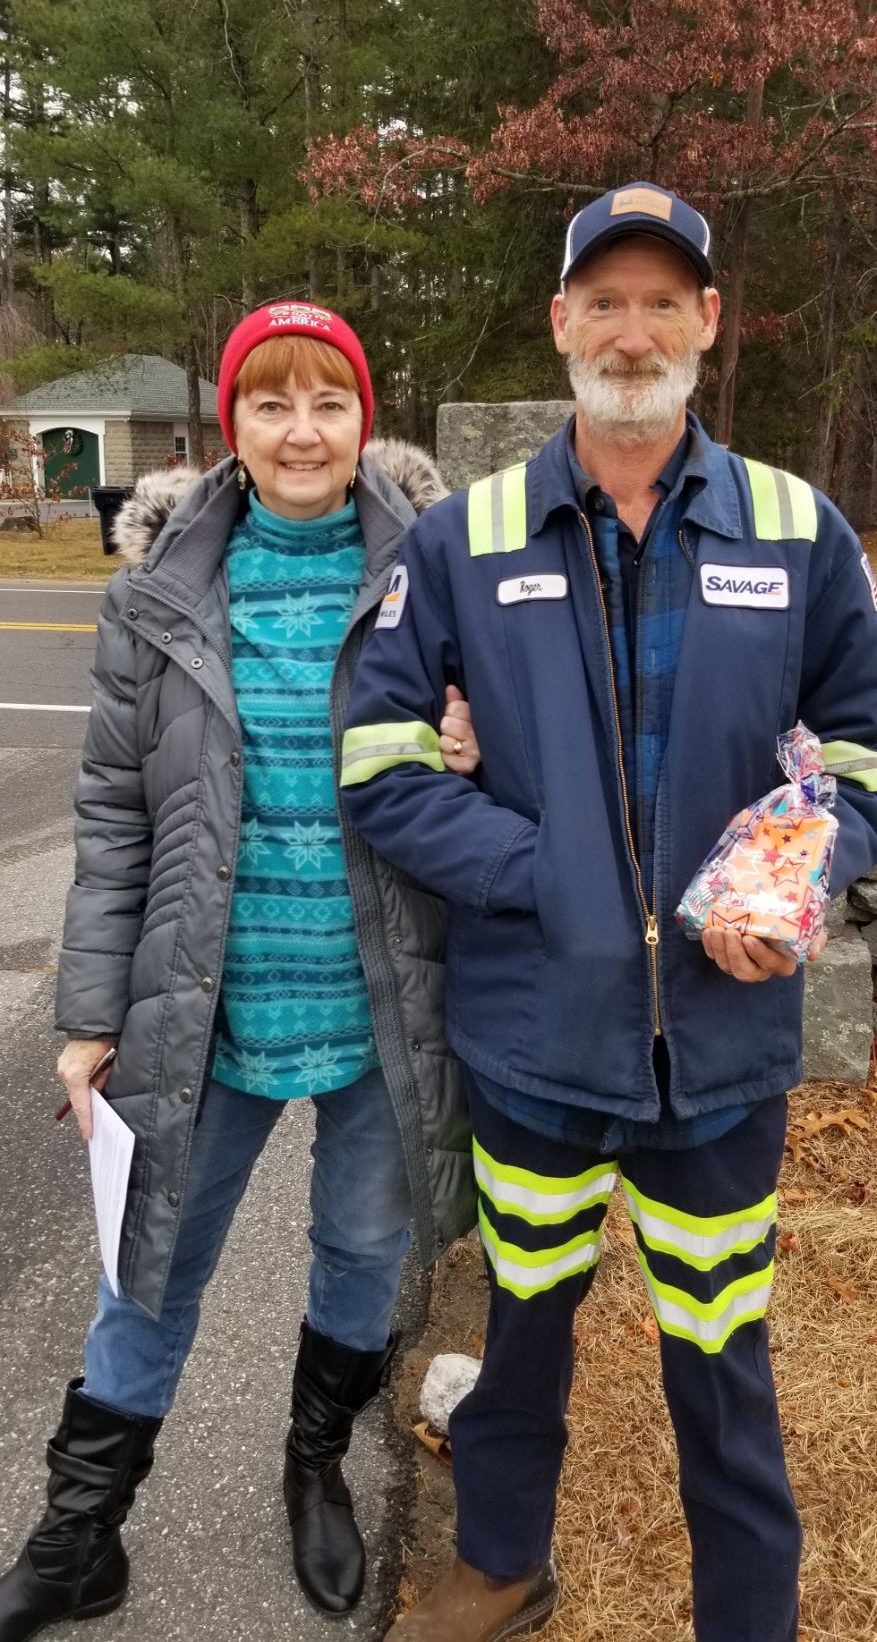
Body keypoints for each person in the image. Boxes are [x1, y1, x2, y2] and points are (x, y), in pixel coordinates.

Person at [338, 185, 877, 1642]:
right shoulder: (465, 539)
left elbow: (863, 737)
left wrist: (805, 875)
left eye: (661, 302)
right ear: (560, 321)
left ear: (708, 325)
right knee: (520, 1333)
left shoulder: (798, 528)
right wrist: (549, 878)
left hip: (720, 1056)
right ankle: (502, 1565)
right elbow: (379, 762)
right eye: (603, 301)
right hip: (534, 1044)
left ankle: (743, 1614)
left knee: (723, 1353)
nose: (629, 332)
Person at [0, 300, 480, 1642]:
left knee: (357, 1251)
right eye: (269, 402)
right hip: (200, 1009)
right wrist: (89, 1011)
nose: (301, 428)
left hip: (384, 1001)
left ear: (363, 418)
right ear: (230, 423)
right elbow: (113, 816)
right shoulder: (152, 597)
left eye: (327, 400)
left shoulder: (436, 582)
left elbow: (508, 763)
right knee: (146, 1269)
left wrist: (477, 746)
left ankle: (315, 1467)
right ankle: (80, 1538)